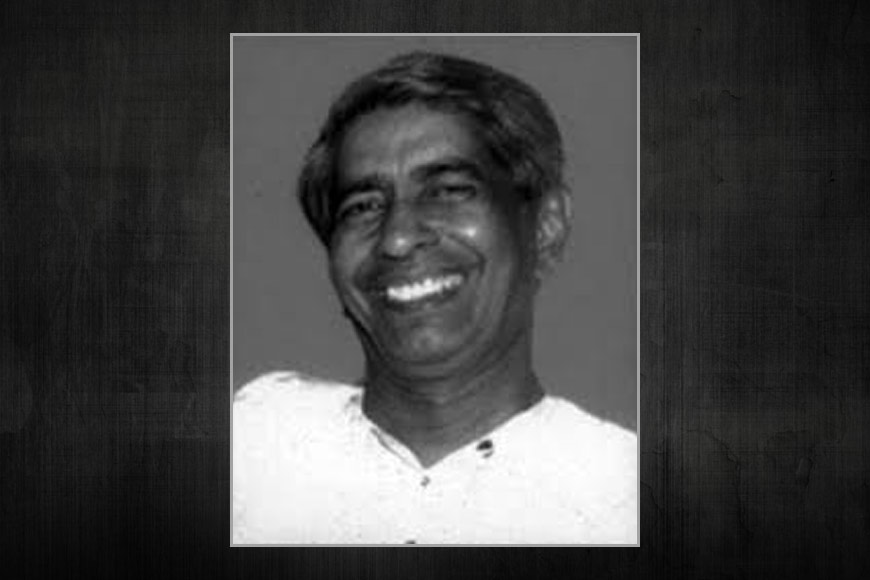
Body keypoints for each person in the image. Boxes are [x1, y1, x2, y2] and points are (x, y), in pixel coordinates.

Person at [232, 51, 637, 545]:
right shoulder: (255, 446)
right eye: (363, 206)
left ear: (545, 228)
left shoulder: (621, 497)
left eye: (448, 191)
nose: (398, 238)